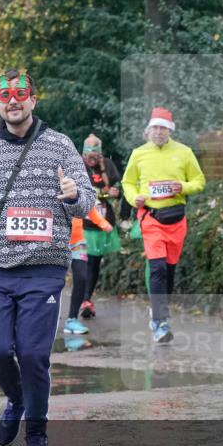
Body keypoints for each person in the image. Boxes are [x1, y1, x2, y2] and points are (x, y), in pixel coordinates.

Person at [0, 69, 96, 446]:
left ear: (33, 99)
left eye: (20, 94)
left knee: (32, 355)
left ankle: (36, 433)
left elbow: (87, 203)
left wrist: (73, 195)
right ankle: (17, 399)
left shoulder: (60, 145)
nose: (13, 101)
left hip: (43, 270)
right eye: (5, 95)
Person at [121, 107, 205, 343]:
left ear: (170, 131)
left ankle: (158, 310)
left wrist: (183, 187)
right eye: (155, 128)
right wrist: (134, 197)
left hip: (176, 219)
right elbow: (127, 182)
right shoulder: (139, 154)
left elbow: (199, 181)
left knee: (168, 271)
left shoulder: (184, 152)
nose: (159, 132)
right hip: (151, 218)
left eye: (163, 128)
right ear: (148, 130)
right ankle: (160, 322)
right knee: (157, 268)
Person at [78, 134, 123, 318]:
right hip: (82, 223)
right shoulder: (77, 165)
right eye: (89, 156)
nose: (92, 160)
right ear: (83, 154)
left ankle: (87, 299)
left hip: (102, 223)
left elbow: (119, 188)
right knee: (82, 262)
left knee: (94, 262)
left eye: (95, 156)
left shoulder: (108, 165)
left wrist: (116, 192)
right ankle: (81, 299)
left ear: (100, 154)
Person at [64, 206, 113, 335]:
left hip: (77, 240)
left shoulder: (78, 192)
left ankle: (72, 319)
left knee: (82, 277)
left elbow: (88, 206)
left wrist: (103, 223)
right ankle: (43, 317)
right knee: (53, 281)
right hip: (55, 241)